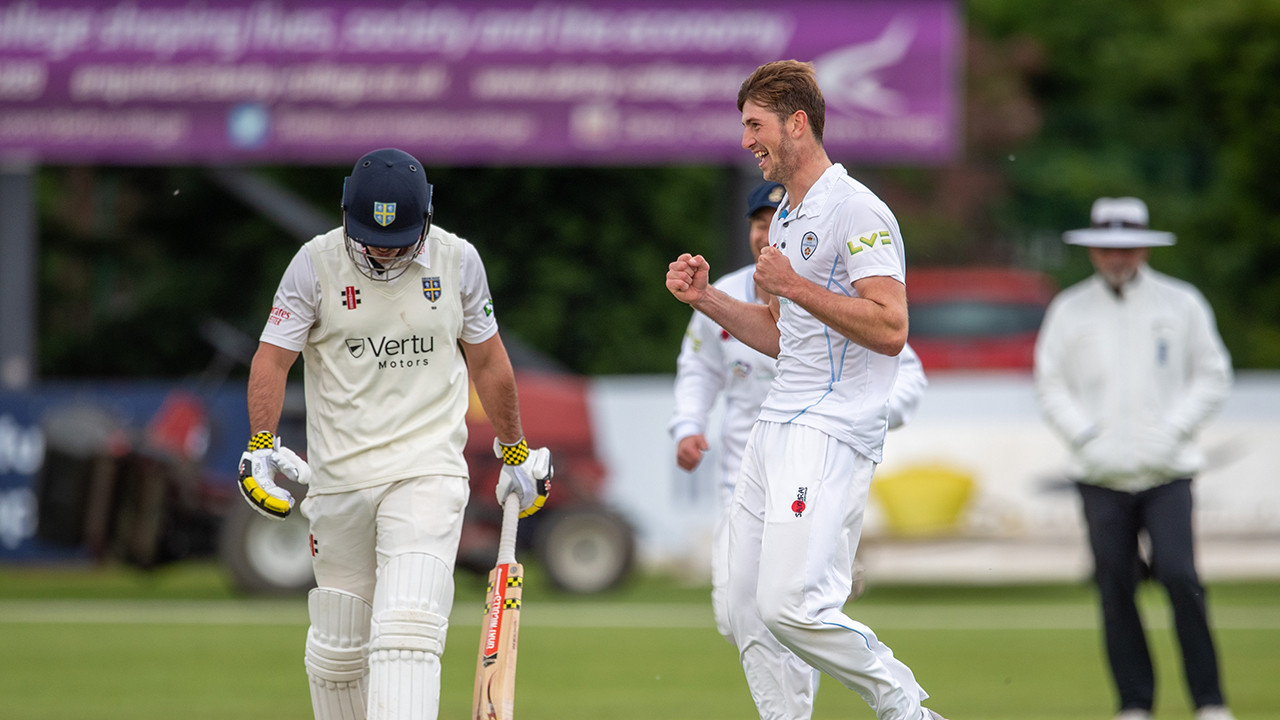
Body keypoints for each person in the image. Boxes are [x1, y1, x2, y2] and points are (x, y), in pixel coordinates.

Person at [666, 60, 945, 720]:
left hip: (828, 432)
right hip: (775, 427)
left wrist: (794, 286)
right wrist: (705, 298)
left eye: (754, 125)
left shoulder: (857, 209)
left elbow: (890, 326)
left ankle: (905, 706)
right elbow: (781, 333)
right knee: (741, 608)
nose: (744, 142)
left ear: (797, 123)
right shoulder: (788, 214)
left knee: (791, 606)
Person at [237, 147, 552, 720]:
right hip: (339, 480)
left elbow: (488, 362)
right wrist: (259, 447)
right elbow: (272, 359)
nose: (383, 248)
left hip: (426, 469)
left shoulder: (458, 260)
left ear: (426, 216)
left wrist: (514, 453)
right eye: (371, 236)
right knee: (338, 653)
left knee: (407, 629)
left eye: (399, 237)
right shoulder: (314, 263)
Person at [669, 180, 928, 647]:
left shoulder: (829, 290)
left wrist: (866, 412)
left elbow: (901, 365)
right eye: (759, 224)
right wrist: (689, 424)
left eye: (776, 223)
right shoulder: (723, 292)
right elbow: (698, 368)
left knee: (791, 610)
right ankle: (828, 573)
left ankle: (829, 577)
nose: (767, 234)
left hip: (813, 457)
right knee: (736, 615)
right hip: (743, 471)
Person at [1034, 196, 1235, 720]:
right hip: (1099, 474)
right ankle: (1135, 703)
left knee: (1179, 576)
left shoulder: (1181, 303)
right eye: (1106, 249)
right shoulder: (1070, 309)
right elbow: (1050, 382)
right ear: (1093, 251)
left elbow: (1212, 374)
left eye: (1127, 248)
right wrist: (1086, 435)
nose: (1117, 258)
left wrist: (1172, 429)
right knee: (1115, 587)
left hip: (1167, 471)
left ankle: (1210, 702)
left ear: (1145, 248)